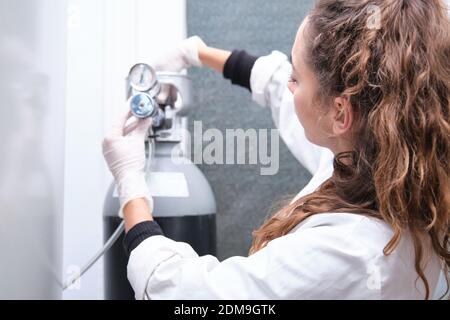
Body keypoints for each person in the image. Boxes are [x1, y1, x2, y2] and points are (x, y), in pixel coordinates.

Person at [102, 0, 450, 299]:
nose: (288, 82)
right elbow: (278, 85)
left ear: (341, 112)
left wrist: (131, 185)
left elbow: (188, 295)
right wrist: (196, 53)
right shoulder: (387, 162)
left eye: (296, 76)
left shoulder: (347, 252)